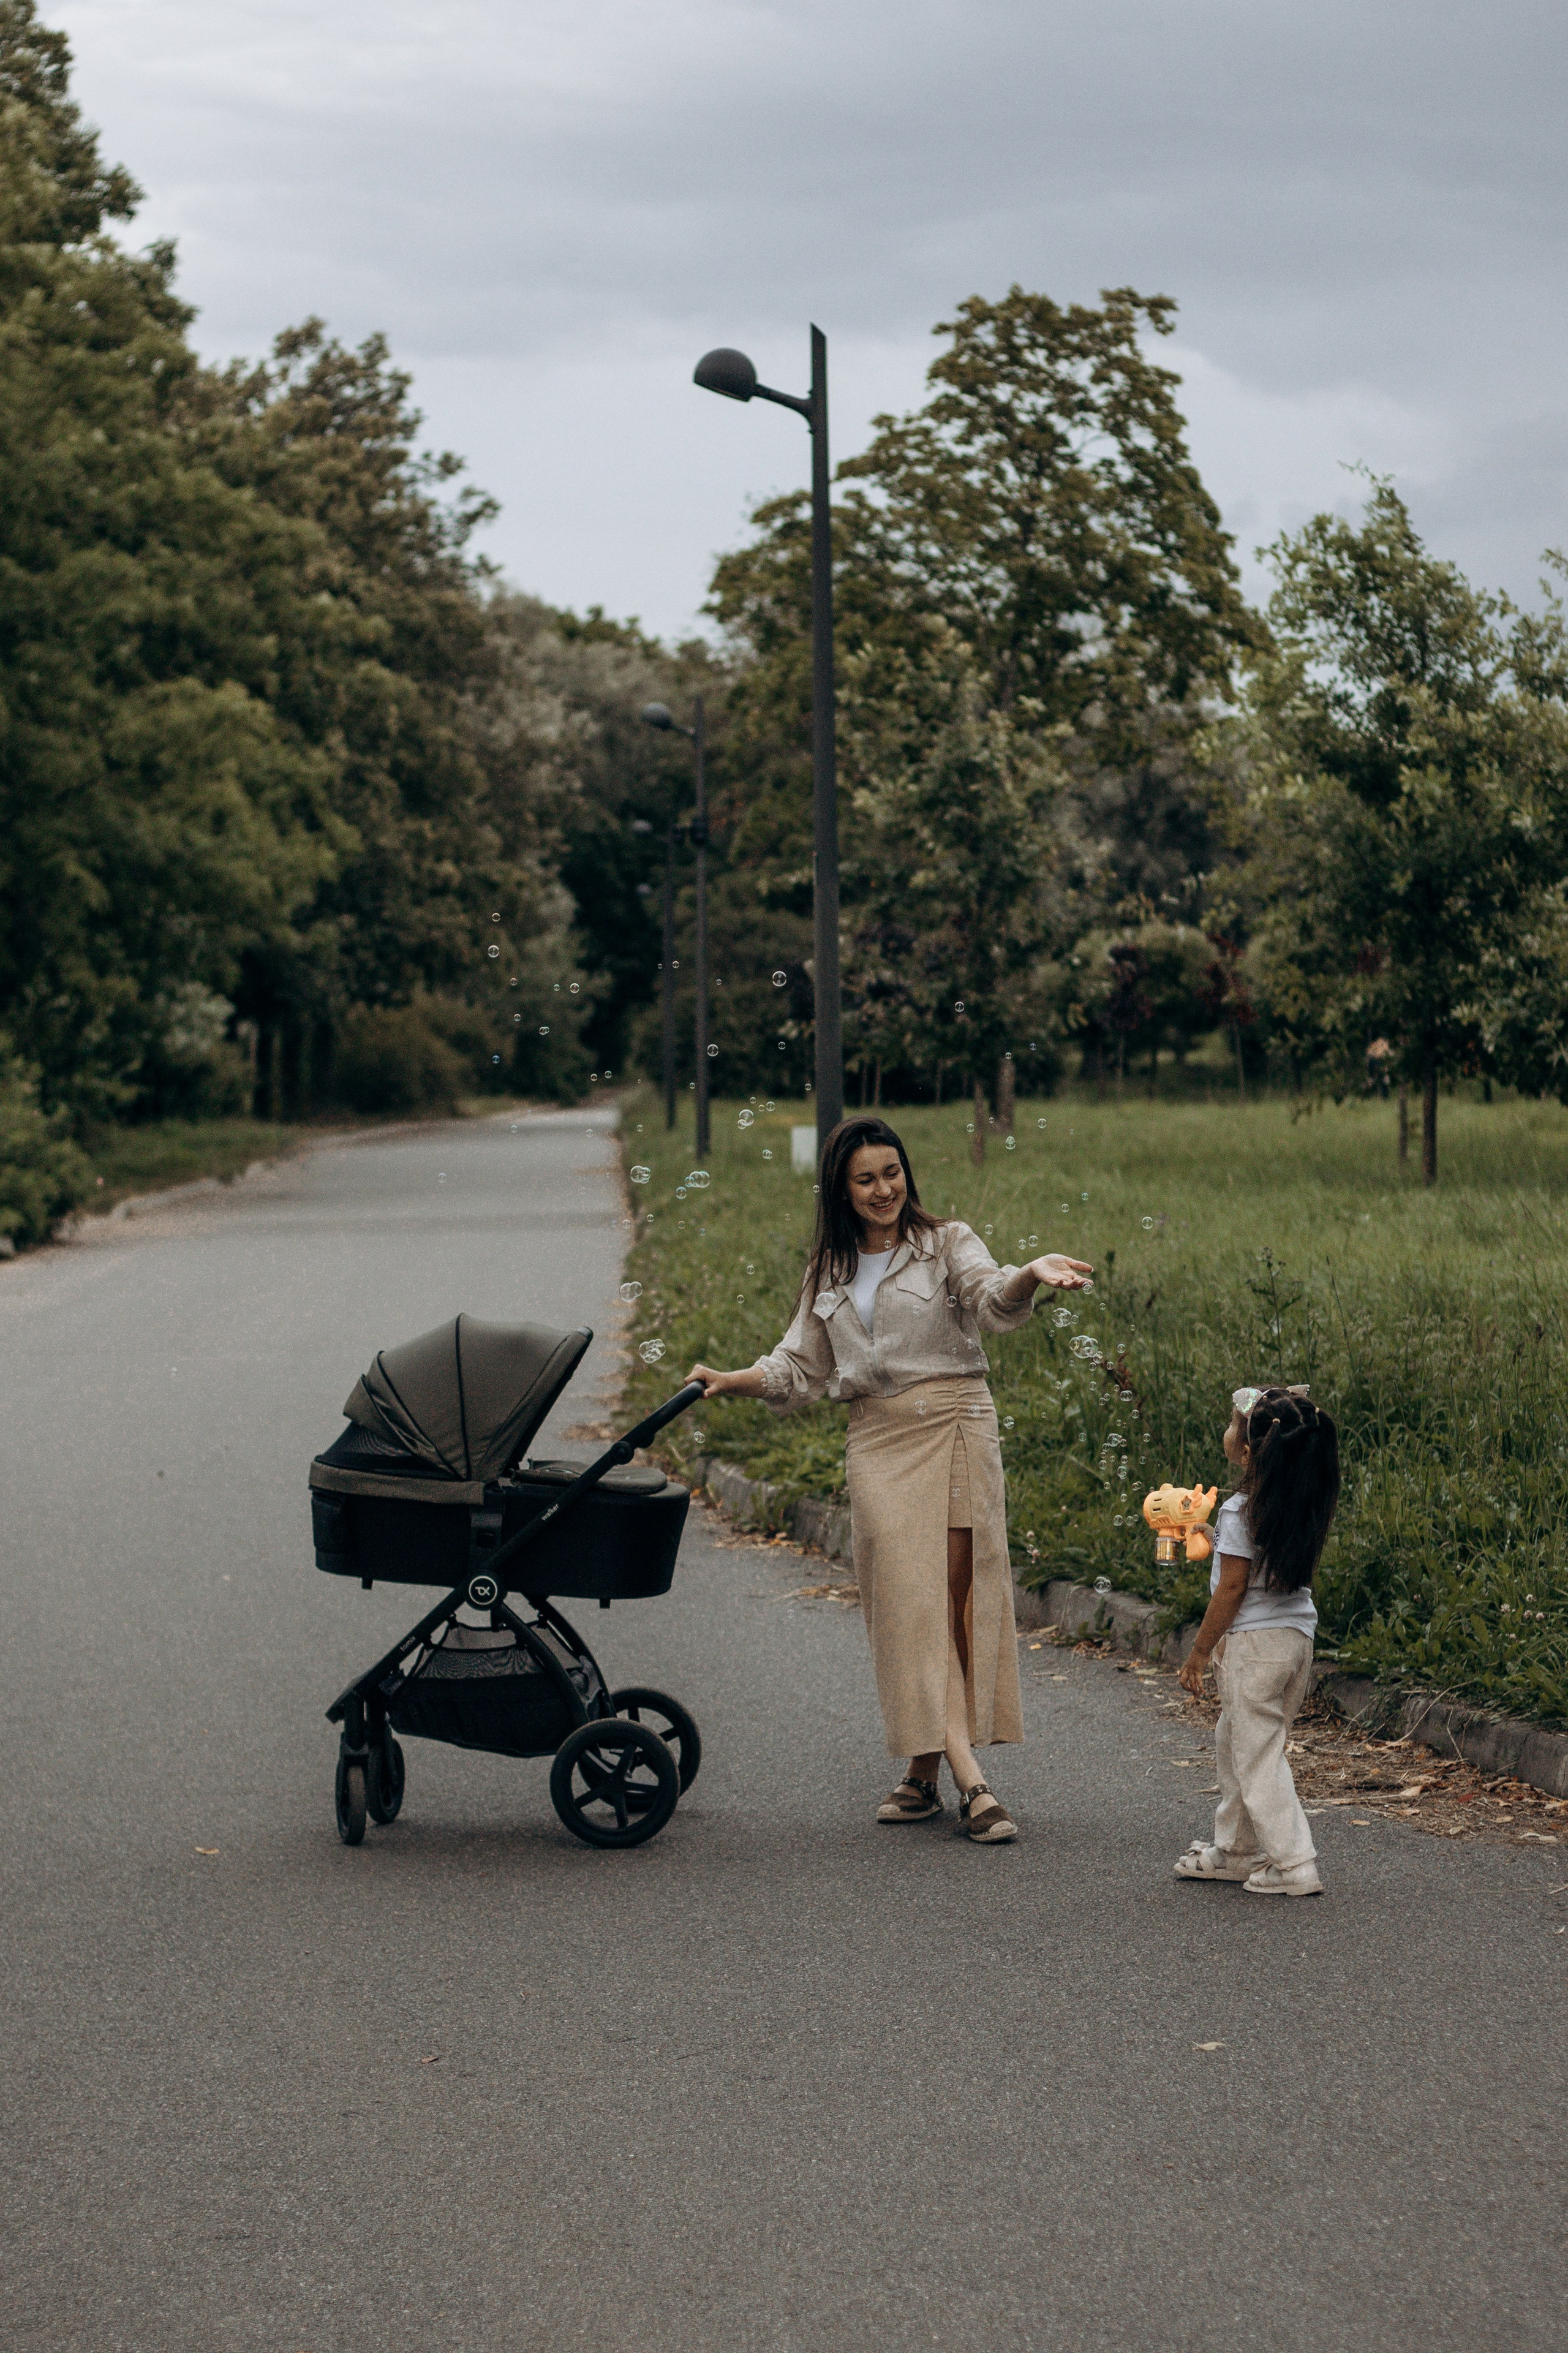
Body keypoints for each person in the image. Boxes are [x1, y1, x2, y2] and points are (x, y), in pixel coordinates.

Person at [687, 1114, 1091, 1841]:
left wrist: (1030, 1274)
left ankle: (922, 1772)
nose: (884, 1189)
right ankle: (975, 1783)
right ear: (842, 1189)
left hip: (959, 1426)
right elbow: (799, 1368)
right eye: (866, 1178)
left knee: (954, 1605)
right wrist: (731, 1379)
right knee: (909, 1603)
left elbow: (992, 1302)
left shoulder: (947, 1244)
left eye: (892, 1172)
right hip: (877, 1441)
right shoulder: (829, 1269)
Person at [1175, 1383, 1341, 1897]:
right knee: (1238, 1742)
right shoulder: (1294, 1500)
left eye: (1233, 1425)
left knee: (1258, 1755)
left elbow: (1232, 1587)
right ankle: (1239, 1850)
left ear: (1247, 1453)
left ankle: (1294, 1863)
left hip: (1254, 1649)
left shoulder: (1241, 1511)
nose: (1227, 1429)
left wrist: (1202, 1650)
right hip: (1294, 1643)